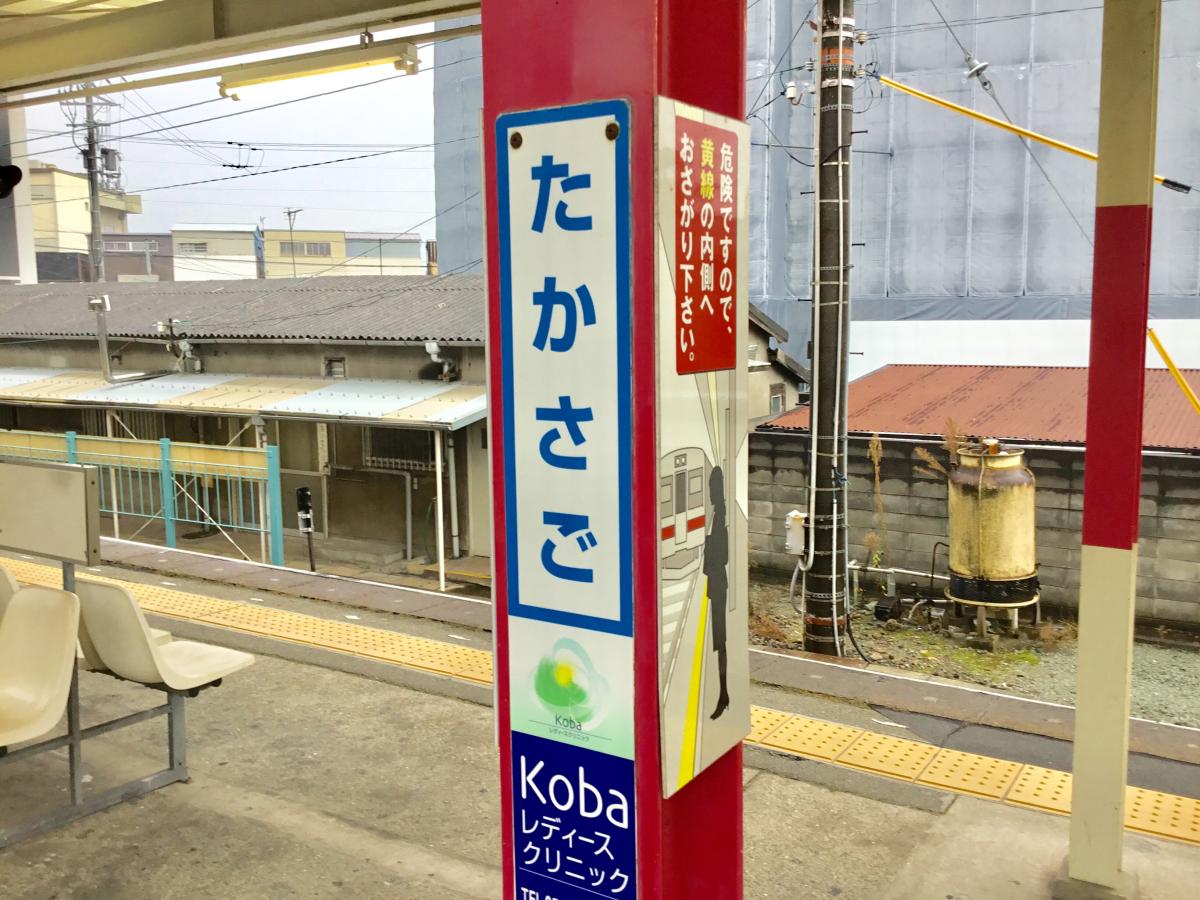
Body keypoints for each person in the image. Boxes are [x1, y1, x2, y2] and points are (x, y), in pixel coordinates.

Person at [704, 465, 730, 720]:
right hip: (714, 582)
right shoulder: (714, 512)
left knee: (719, 639)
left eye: (712, 488)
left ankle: (723, 692)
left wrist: (708, 551)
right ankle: (721, 692)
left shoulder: (721, 511)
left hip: (718, 581)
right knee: (717, 640)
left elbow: (722, 552)